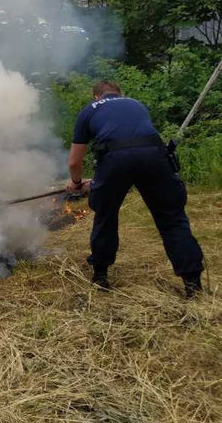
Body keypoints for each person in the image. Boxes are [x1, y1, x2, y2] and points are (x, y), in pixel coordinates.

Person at [66, 80, 204, 298]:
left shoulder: (89, 111)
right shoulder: (136, 104)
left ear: (96, 96)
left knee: (106, 215)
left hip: (114, 159)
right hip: (155, 156)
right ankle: (193, 283)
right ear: (120, 94)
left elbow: (75, 162)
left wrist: (75, 183)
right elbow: (135, 145)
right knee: (172, 218)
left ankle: (101, 276)